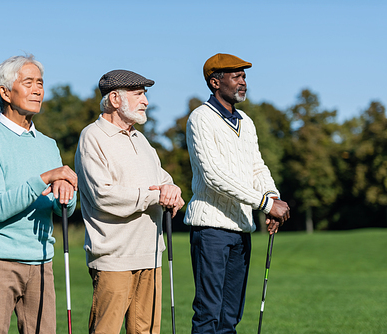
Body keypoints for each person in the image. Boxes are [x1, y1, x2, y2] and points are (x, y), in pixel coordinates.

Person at [0, 54, 77, 334]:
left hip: (41, 260)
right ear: (5, 92)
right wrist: (47, 178)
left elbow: (66, 208)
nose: (38, 89)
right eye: (29, 83)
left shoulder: (49, 145)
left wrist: (67, 193)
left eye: (40, 83)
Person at [184, 53, 290, 333]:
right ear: (215, 82)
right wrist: (265, 204)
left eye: (244, 77)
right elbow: (214, 176)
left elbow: (257, 167)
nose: (243, 82)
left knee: (230, 316)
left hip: (241, 227)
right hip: (210, 228)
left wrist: (272, 196)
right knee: (209, 314)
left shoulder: (246, 121)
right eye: (237, 76)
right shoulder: (201, 118)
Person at [75, 69, 185, 334]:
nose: (145, 101)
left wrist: (173, 191)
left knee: (146, 331)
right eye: (138, 94)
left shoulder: (142, 140)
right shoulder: (92, 137)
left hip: (151, 255)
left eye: (144, 94)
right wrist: (155, 195)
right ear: (114, 99)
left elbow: (164, 180)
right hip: (114, 258)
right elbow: (103, 195)